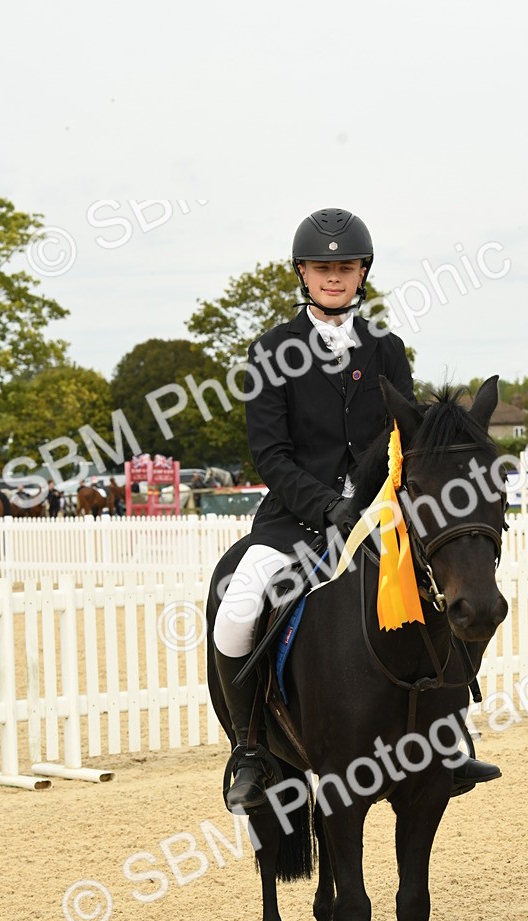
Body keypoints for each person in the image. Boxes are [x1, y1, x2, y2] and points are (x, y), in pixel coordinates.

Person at [213, 208, 499, 811]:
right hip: (295, 516)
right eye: (323, 268)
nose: (334, 277)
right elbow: (271, 453)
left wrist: (372, 503)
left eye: (345, 267)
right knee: (237, 608)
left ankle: (446, 735)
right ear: (303, 274)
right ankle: (251, 751)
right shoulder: (270, 352)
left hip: (381, 513)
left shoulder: (387, 349)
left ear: (362, 272)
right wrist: (326, 505)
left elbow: (404, 436)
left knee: (455, 589)